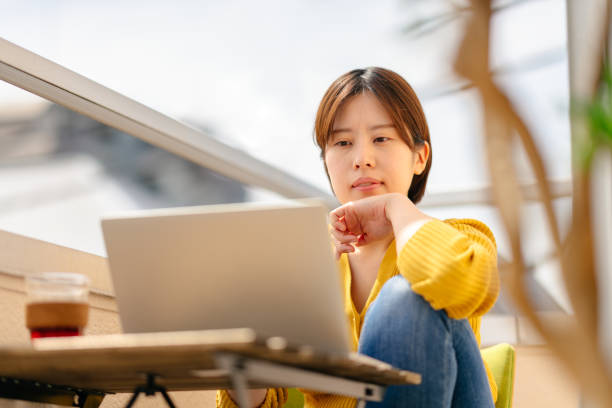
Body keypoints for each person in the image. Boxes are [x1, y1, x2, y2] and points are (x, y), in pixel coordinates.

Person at [217, 67, 499, 407]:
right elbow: (260, 400)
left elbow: (458, 283)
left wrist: (396, 208)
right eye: (343, 143)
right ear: (326, 161)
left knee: (403, 296)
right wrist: (240, 344)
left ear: (419, 157)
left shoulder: (461, 236)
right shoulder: (308, 256)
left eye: (381, 139)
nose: (362, 159)